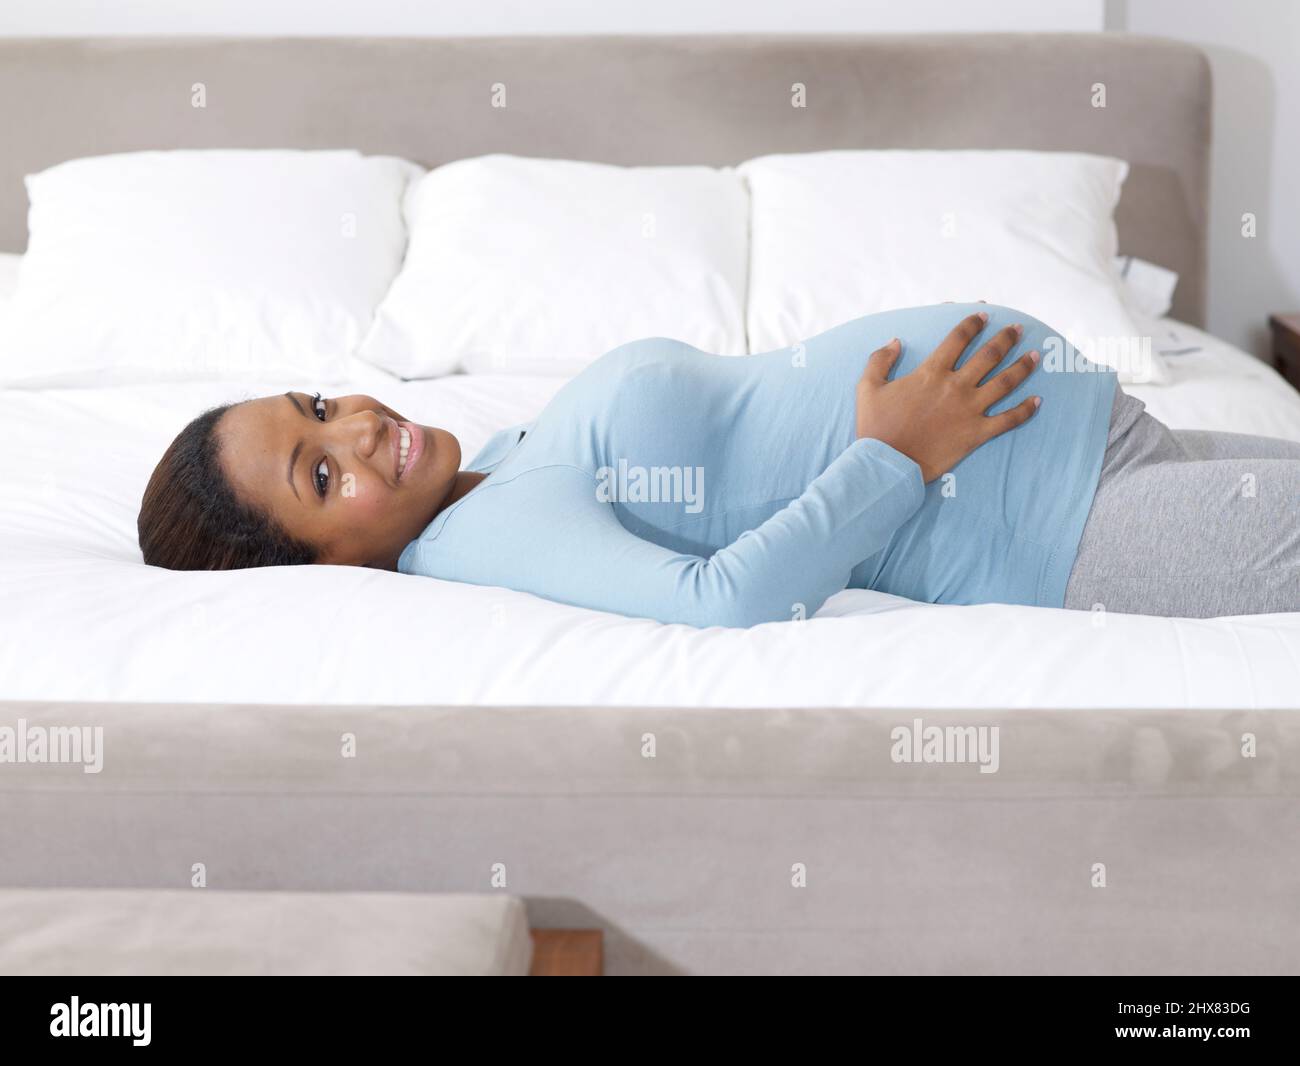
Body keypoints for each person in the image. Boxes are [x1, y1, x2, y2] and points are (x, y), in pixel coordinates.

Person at [138, 304, 1300, 625]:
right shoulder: (473, 542)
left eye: (319, 404)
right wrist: (890, 453)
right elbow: (724, 599)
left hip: (1087, 443)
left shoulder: (494, 466)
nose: (355, 428)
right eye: (320, 476)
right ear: (322, 565)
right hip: (1060, 530)